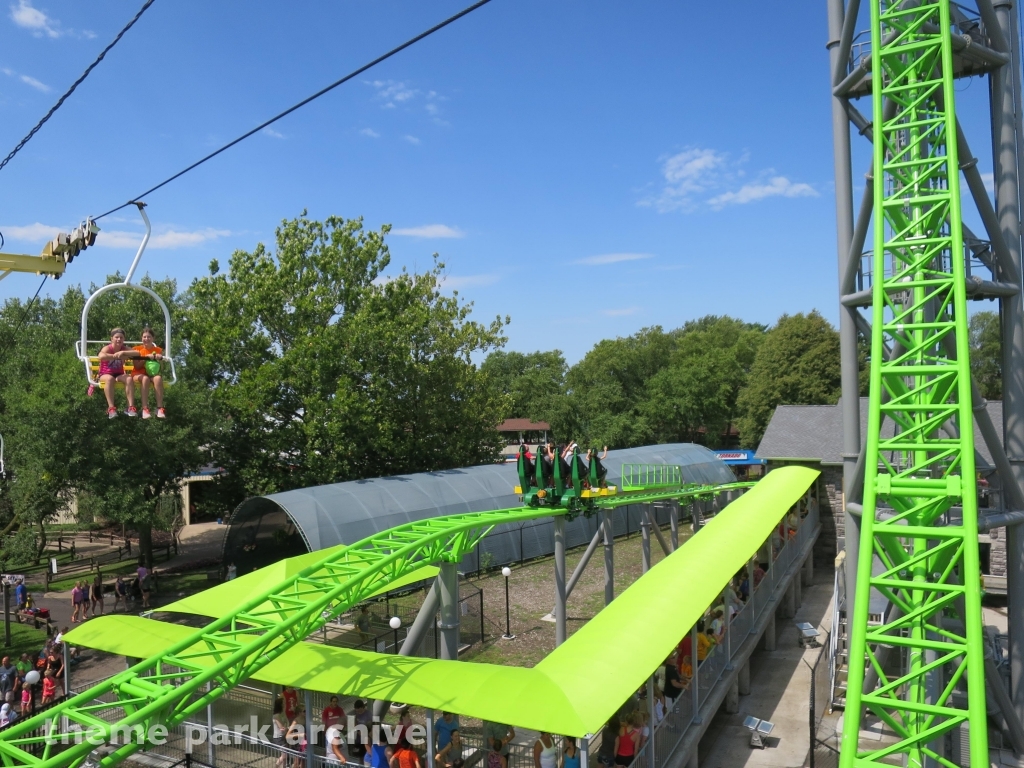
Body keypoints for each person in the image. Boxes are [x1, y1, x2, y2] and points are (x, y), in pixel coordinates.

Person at [97, 328, 141, 418]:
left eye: (121, 337)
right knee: (110, 379)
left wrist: (123, 352)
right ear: (111, 339)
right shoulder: (108, 348)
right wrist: (115, 356)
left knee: (129, 378)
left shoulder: (124, 348)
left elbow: (137, 353)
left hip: (118, 374)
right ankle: (111, 408)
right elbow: (101, 356)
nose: (119, 339)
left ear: (124, 339)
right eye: (116, 337)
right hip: (105, 374)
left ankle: (130, 407)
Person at [131, 326, 166, 419]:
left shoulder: (158, 350)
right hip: (138, 373)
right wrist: (146, 358)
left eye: (149, 337)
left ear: (153, 338)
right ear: (141, 338)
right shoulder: (136, 349)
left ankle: (159, 408)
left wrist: (159, 359)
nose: (146, 339)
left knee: (158, 378)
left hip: (151, 374)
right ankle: (145, 408)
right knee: (145, 379)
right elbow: (137, 366)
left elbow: (161, 368)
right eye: (144, 337)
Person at [271, 698, 289, 768]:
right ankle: (276, 766)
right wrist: (287, 728)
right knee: (284, 755)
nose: (285, 704)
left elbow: (287, 722)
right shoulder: (276, 716)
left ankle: (284, 766)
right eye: (283, 703)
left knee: (285, 753)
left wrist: (287, 728)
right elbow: (282, 728)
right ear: (280, 705)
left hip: (284, 735)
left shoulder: (283, 713)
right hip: (279, 737)